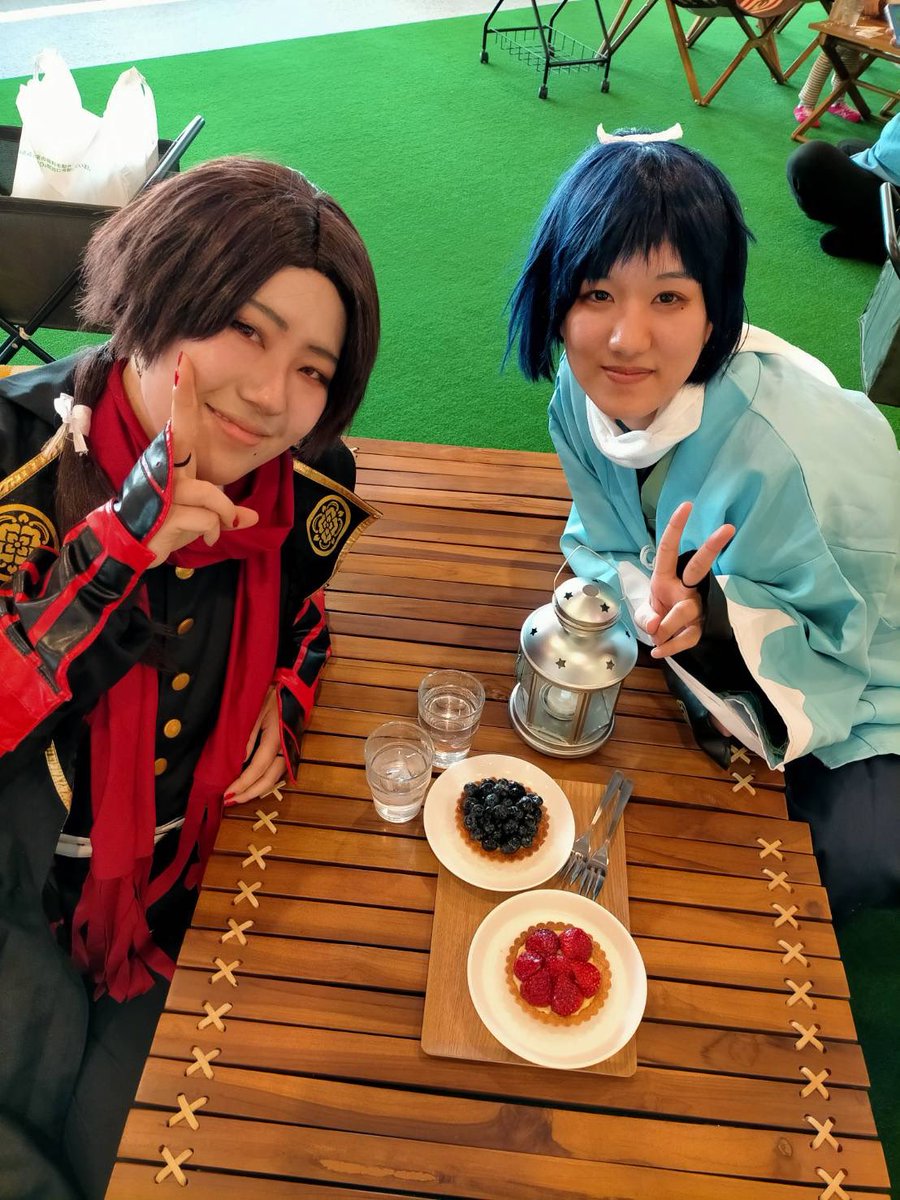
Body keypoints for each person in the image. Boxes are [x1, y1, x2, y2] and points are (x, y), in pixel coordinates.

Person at [0, 156, 380, 1199]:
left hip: (179, 902)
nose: (270, 396)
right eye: (246, 329)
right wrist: (113, 557)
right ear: (157, 293)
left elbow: (304, 617)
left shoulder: (305, 485)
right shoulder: (13, 458)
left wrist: (282, 699)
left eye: (314, 368)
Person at [506, 133, 900, 926]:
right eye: (595, 293)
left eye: (669, 298)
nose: (626, 340)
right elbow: (607, 536)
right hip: (713, 647)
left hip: (865, 690)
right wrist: (660, 609)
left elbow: (846, 636)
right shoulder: (579, 397)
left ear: (717, 304)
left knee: (837, 860)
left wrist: (715, 621)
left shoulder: (797, 454)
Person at [787, 110, 900, 263]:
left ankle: (879, 237)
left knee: (808, 159)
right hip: (883, 164)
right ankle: (875, 229)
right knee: (846, 146)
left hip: (892, 194)